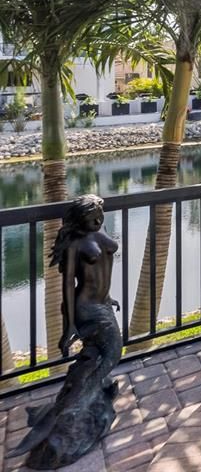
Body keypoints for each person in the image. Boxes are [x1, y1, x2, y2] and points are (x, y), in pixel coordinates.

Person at [9, 195, 122, 469]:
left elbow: (102, 272)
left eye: (99, 214)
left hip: (102, 304)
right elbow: (69, 287)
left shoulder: (99, 230)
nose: (97, 220)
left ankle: (76, 401)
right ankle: (71, 411)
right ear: (78, 219)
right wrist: (69, 324)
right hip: (85, 308)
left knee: (100, 356)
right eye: (91, 216)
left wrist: (108, 299)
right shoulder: (75, 243)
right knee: (111, 352)